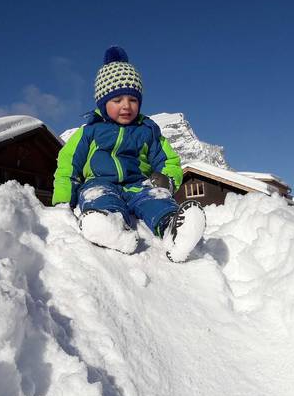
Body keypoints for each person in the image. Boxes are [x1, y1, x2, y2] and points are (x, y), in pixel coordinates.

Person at [52, 46, 205, 262]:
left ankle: (173, 228)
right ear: (103, 103)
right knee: (99, 197)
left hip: (138, 185)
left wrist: (167, 180)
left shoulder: (147, 131)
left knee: (155, 198)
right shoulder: (90, 131)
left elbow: (168, 159)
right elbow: (68, 164)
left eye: (133, 100)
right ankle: (110, 226)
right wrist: (64, 199)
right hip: (100, 183)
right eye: (117, 100)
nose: (126, 106)